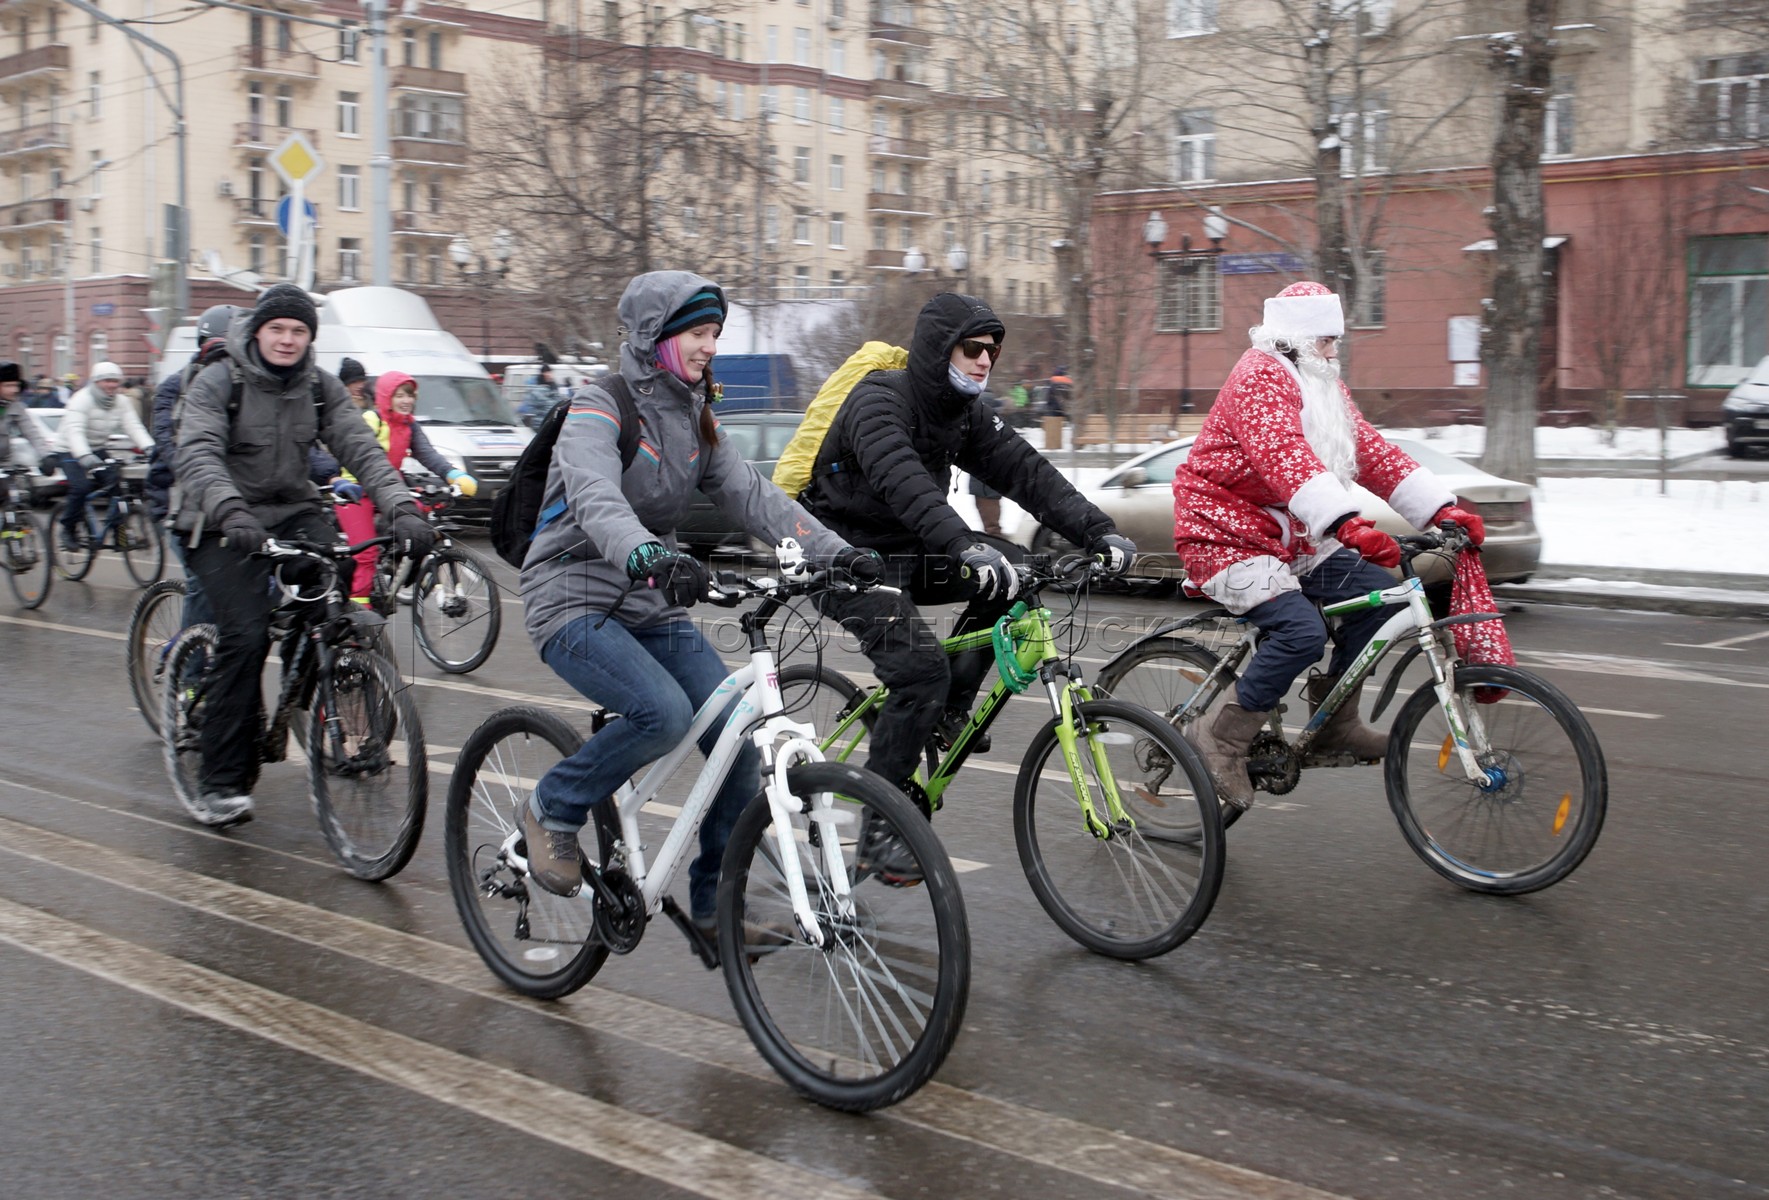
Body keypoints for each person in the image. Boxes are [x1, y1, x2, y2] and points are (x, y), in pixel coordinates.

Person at [517, 270, 877, 929]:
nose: (711, 345)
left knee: (740, 739)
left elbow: (752, 496)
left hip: (647, 605)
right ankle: (552, 807)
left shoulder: (693, 419)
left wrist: (833, 552)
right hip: (570, 598)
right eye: (698, 333)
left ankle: (716, 900)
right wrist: (647, 553)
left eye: (714, 332)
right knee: (662, 713)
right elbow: (596, 497)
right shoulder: (599, 407)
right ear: (655, 337)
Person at [797, 291, 1136, 866]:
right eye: (972, 348)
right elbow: (904, 482)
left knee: (1018, 574)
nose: (985, 359)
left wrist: (1098, 531)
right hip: (839, 555)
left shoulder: (965, 413)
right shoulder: (879, 400)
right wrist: (962, 544)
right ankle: (880, 829)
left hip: (908, 549)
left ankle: (948, 715)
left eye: (993, 351)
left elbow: (1029, 473)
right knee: (919, 669)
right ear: (938, 349)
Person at [1172, 281, 1486, 812]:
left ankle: (1335, 726)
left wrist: (1441, 508)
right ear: (1294, 337)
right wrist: (1348, 523)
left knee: (1376, 602)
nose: (1334, 351)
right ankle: (1219, 739)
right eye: (1326, 339)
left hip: (1293, 535)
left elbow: (1372, 452)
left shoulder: (1320, 386)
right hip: (1225, 533)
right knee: (1300, 632)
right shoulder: (1259, 377)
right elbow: (1285, 459)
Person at [173, 283, 437, 827]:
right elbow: (197, 453)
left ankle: (304, 688)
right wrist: (230, 511)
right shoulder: (220, 380)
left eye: (299, 331)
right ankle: (220, 781)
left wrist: (403, 507)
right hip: (219, 521)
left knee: (335, 582)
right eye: (278, 329)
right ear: (258, 331)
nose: (288, 340)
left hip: (291, 511)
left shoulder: (319, 388)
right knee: (244, 635)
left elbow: (360, 449)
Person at [330, 371, 479, 599]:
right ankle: (360, 613)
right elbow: (353, 450)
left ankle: (396, 566)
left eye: (410, 396)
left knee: (420, 526)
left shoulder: (410, 426)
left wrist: (453, 474)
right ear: (386, 397)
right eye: (399, 395)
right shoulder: (372, 419)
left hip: (389, 490)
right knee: (366, 554)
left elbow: (427, 454)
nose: (406, 401)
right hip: (356, 493)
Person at [51, 361, 153, 551]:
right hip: (70, 449)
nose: (112, 385)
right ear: (96, 382)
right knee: (80, 487)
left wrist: (150, 448)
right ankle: (68, 528)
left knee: (117, 484)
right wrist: (84, 456)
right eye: (107, 381)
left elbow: (133, 426)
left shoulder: (120, 401)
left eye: (116, 381)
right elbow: (75, 431)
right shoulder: (81, 399)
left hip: (97, 448)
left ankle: (119, 534)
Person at [1, 361, 51, 518]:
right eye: (8, 385)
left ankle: (13, 536)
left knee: (13, 497)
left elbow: (31, 431)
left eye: (16, 385)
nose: (14, 390)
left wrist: (46, 456)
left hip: (4, 460)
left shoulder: (15, 406)